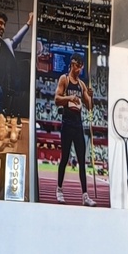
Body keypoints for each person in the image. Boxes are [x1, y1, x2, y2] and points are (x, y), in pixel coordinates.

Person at [54, 54, 94, 204]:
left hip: (78, 124)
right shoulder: (64, 79)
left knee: (82, 160)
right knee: (64, 158)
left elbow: (89, 106)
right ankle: (59, 189)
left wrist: (91, 96)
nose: (78, 70)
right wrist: (69, 98)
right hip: (67, 123)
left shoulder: (82, 85)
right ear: (72, 64)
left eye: (80, 67)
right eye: (77, 66)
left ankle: (85, 196)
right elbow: (56, 99)